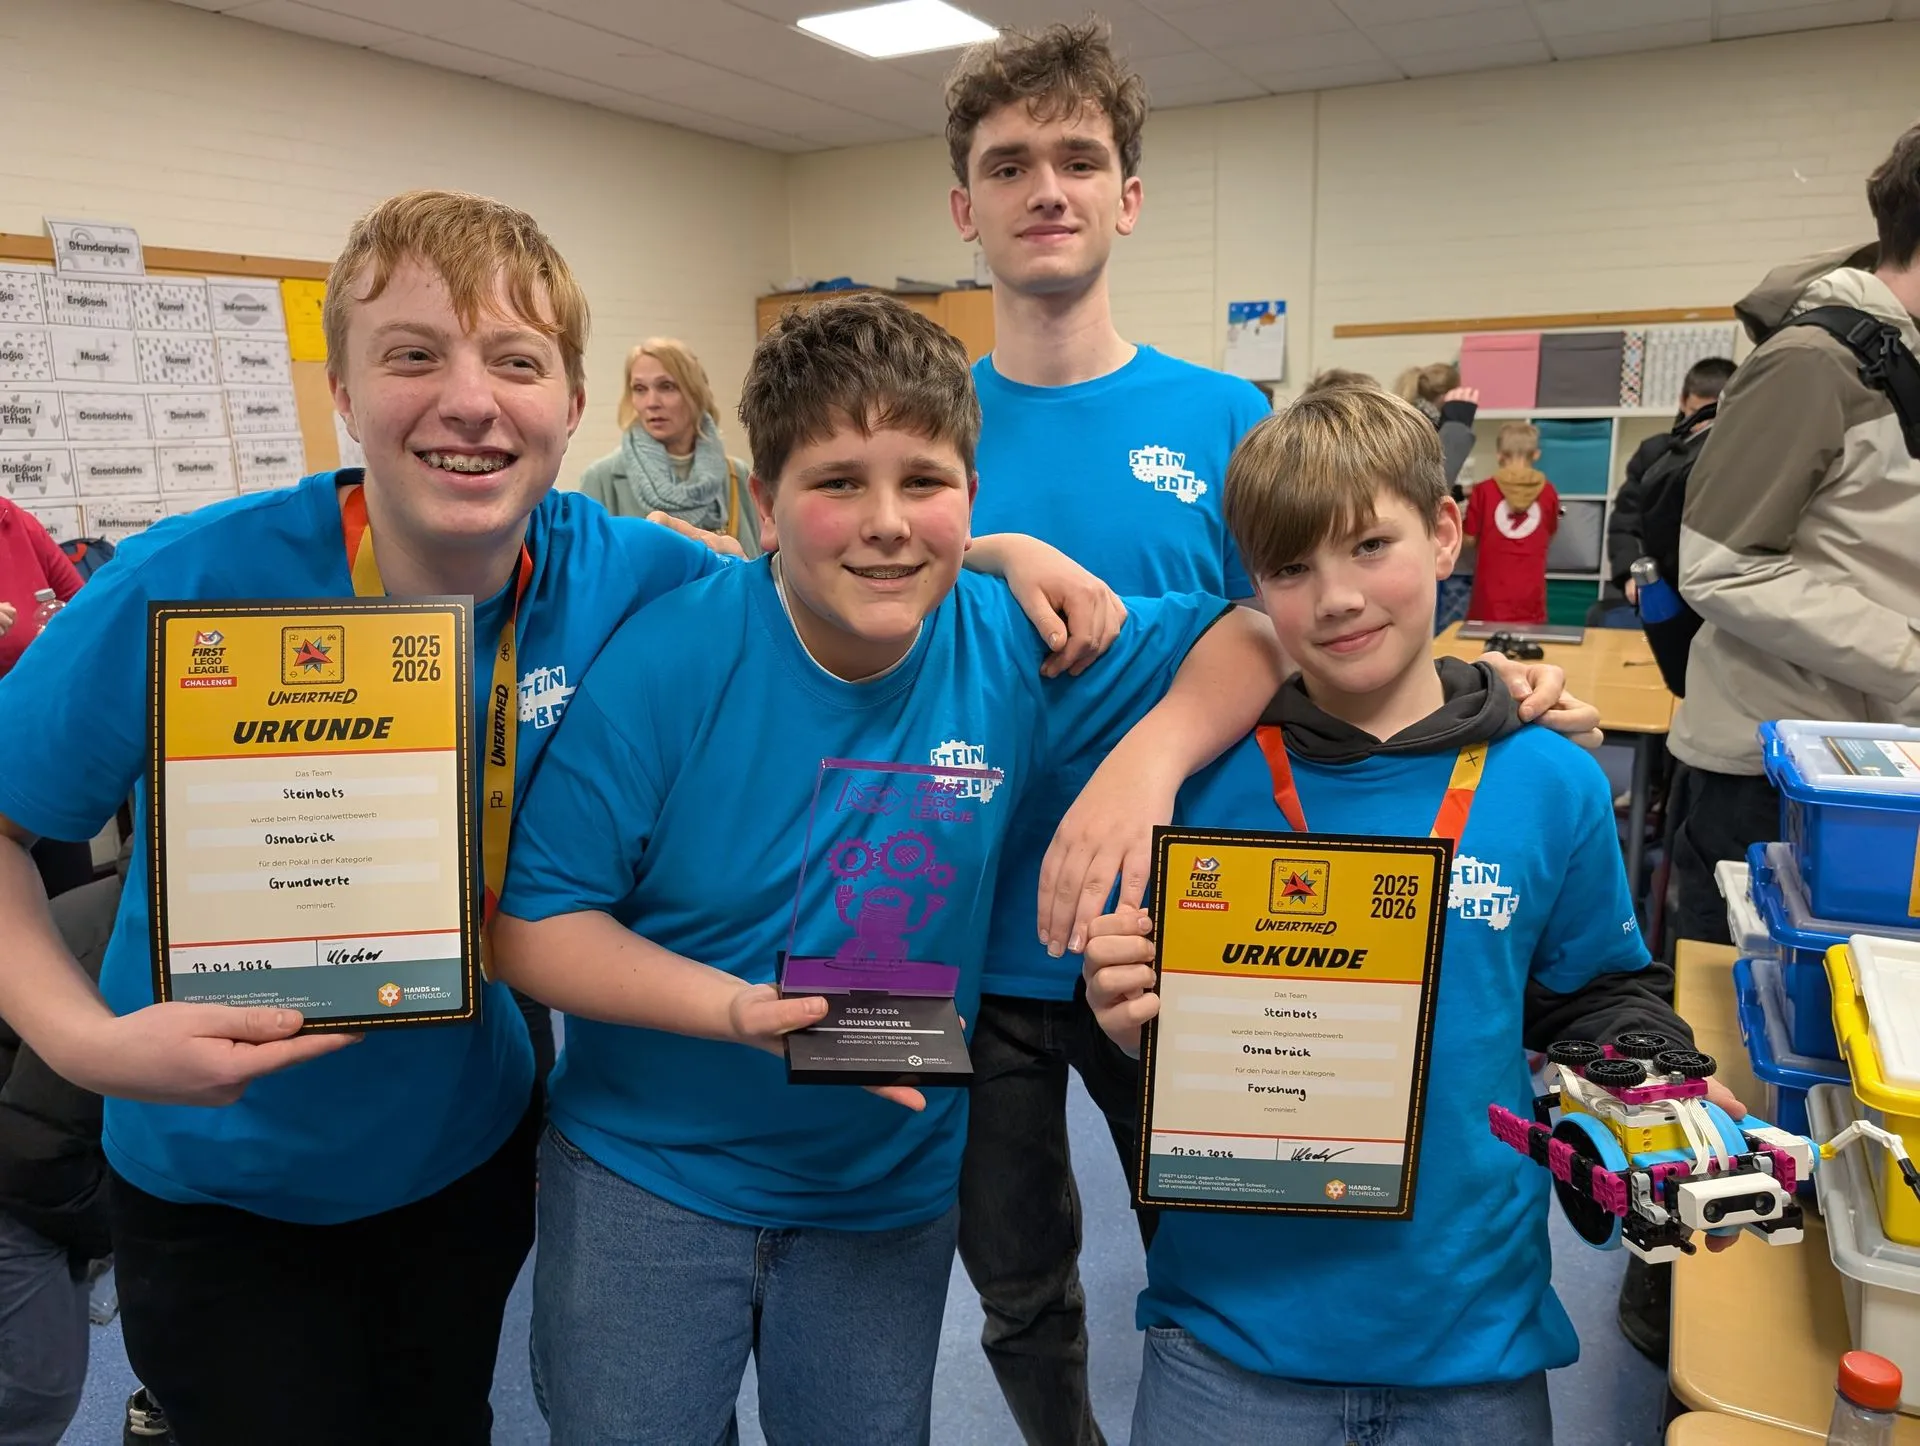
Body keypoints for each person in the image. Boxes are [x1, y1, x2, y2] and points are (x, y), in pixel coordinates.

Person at [938, 26, 1594, 1445]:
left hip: (1178, 926)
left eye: (1078, 160)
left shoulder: (1221, 418)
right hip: (958, 929)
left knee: (1219, 1226)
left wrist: (1487, 682)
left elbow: (1318, 628)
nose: (1045, 188)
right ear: (964, 208)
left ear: (1128, 197)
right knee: (1013, 1276)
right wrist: (986, 546)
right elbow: (846, 565)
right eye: (1008, 165)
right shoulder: (928, 420)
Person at [488, 292, 1286, 1445]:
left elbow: (1251, 637)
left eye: (925, 482)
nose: (886, 523)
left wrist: (1144, 765)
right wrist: (735, 1011)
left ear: (972, 495)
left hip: (881, 1189)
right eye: (836, 483)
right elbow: (534, 924)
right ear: (764, 504)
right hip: (652, 1182)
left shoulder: (1007, 642)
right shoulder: (671, 659)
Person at [1078, 382, 1749, 1446]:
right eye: (1292, 568)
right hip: (1228, 1341)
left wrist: (1649, 1073)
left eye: (1367, 547)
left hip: (1468, 1344)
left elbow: (1596, 989)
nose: (1336, 597)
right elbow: (1160, 1056)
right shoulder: (1202, 791)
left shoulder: (1549, 784)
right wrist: (1121, 1025)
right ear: (1255, 586)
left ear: (1444, 534)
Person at [1670, 121, 1920, 947]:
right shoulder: (1815, 361)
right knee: (1754, 1024)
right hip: (1777, 775)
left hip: (1867, 756)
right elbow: (1721, 567)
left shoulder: (1902, 362)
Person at [0, 859, 120, 1446]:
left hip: (38, 1142)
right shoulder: (120, 949)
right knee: (35, 1389)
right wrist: (125, 1233)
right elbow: (37, 1159)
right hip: (20, 1171)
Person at [578, 337, 760, 556]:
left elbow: (755, 562)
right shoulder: (602, 478)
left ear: (695, 392)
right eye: (639, 389)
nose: (651, 402)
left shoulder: (734, 474)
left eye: (666, 387)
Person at [1605, 357, 1735, 607]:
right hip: (1661, 585)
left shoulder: (1745, 458)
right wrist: (1632, 573)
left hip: (1720, 587)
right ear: (1683, 402)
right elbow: (1626, 522)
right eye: (1698, 413)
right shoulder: (1655, 453)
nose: (1703, 425)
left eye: (1714, 416)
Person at [1461, 420, 1558, 624]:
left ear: (1499, 456)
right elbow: (1549, 534)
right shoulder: (1549, 492)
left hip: (1490, 597)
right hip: (1531, 595)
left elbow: (1469, 538)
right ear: (1536, 455)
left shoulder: (1484, 491)